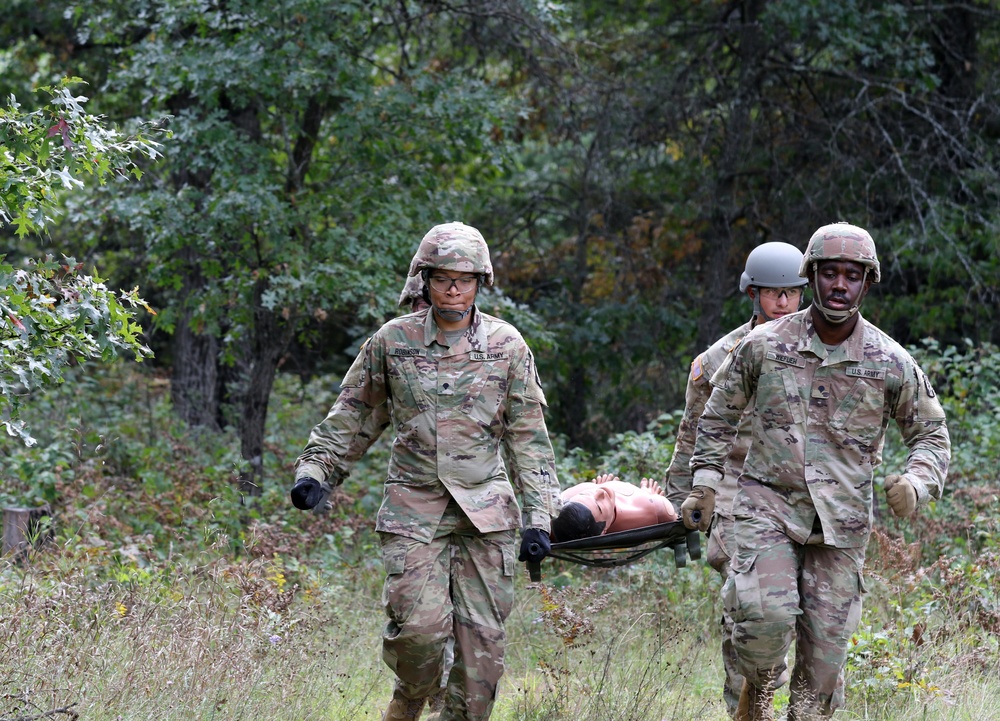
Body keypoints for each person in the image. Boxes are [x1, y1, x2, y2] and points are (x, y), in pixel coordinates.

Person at [291, 221, 562, 721]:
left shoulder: (507, 346)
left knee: (481, 662)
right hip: (414, 508)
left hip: (486, 513)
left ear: (481, 281)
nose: (454, 288)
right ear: (425, 280)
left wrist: (539, 519)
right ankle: (412, 696)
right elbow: (354, 415)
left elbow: (529, 441)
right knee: (419, 635)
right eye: (443, 278)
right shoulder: (394, 342)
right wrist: (317, 471)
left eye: (465, 278)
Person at [681, 222, 951, 721]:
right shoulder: (766, 345)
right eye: (830, 273)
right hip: (767, 507)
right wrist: (704, 482)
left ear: (867, 282)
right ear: (814, 276)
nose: (840, 284)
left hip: (842, 524)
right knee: (763, 619)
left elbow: (931, 436)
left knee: (822, 673)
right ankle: (754, 697)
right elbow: (716, 414)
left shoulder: (889, 360)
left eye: (852, 275)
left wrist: (916, 482)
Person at [664, 241, 807, 718]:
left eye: (791, 293)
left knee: (801, 616)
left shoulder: (819, 351)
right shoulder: (721, 357)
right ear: (753, 293)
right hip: (734, 494)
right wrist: (679, 502)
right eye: (773, 293)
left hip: (801, 498)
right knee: (750, 607)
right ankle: (747, 703)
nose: (783, 303)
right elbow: (693, 433)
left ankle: (784, 698)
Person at [551, 473, 678, 542]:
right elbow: (669, 514)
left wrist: (591, 488)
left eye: (584, 495)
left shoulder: (565, 502)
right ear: (603, 531)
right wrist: (649, 495)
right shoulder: (648, 508)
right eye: (599, 507)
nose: (600, 492)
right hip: (640, 498)